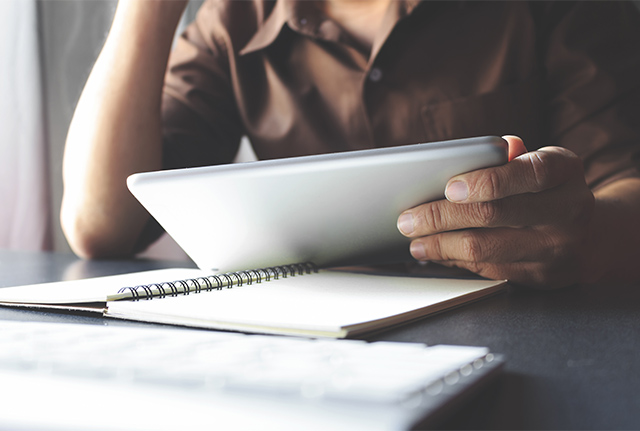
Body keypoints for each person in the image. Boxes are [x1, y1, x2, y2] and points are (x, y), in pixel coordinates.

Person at [61, 0, 640, 289]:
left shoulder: (552, 11)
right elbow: (101, 224)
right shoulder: (236, 18)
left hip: (519, 332)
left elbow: (627, 186)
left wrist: (580, 235)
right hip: (306, 344)